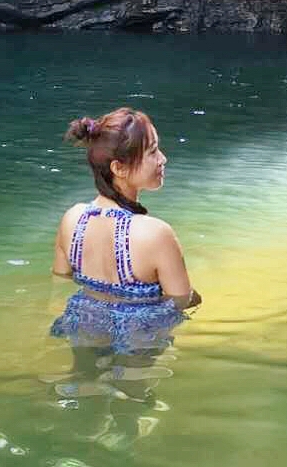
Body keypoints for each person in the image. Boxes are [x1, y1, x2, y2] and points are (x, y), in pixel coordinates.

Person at [50, 107, 200, 361]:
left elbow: (61, 278)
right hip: (138, 335)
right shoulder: (155, 233)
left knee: (85, 386)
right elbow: (181, 301)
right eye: (152, 151)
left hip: (83, 324)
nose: (163, 159)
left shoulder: (72, 219)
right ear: (119, 168)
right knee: (138, 396)